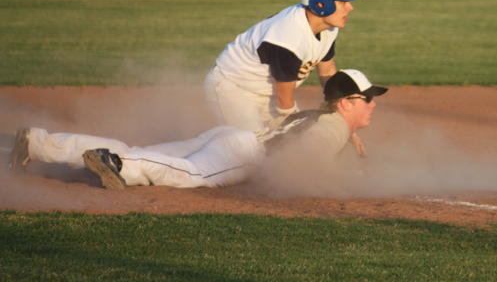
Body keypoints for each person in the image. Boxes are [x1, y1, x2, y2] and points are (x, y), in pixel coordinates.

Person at [8, 69, 387, 190]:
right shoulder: (332, 128)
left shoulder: (318, 116)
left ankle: (40, 143)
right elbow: (306, 168)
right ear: (345, 103)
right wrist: (348, 178)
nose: (373, 103)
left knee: (143, 149)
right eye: (367, 98)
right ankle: (118, 164)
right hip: (244, 153)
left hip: (230, 137)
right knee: (191, 175)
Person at [205, 0, 366, 153]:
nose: (350, 7)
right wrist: (292, 124)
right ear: (321, 3)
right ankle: (189, 159)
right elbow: (284, 99)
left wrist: (341, 119)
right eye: (343, 1)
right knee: (252, 150)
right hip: (233, 88)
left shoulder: (328, 28)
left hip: (268, 91)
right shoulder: (288, 36)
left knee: (293, 140)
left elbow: (328, 71)